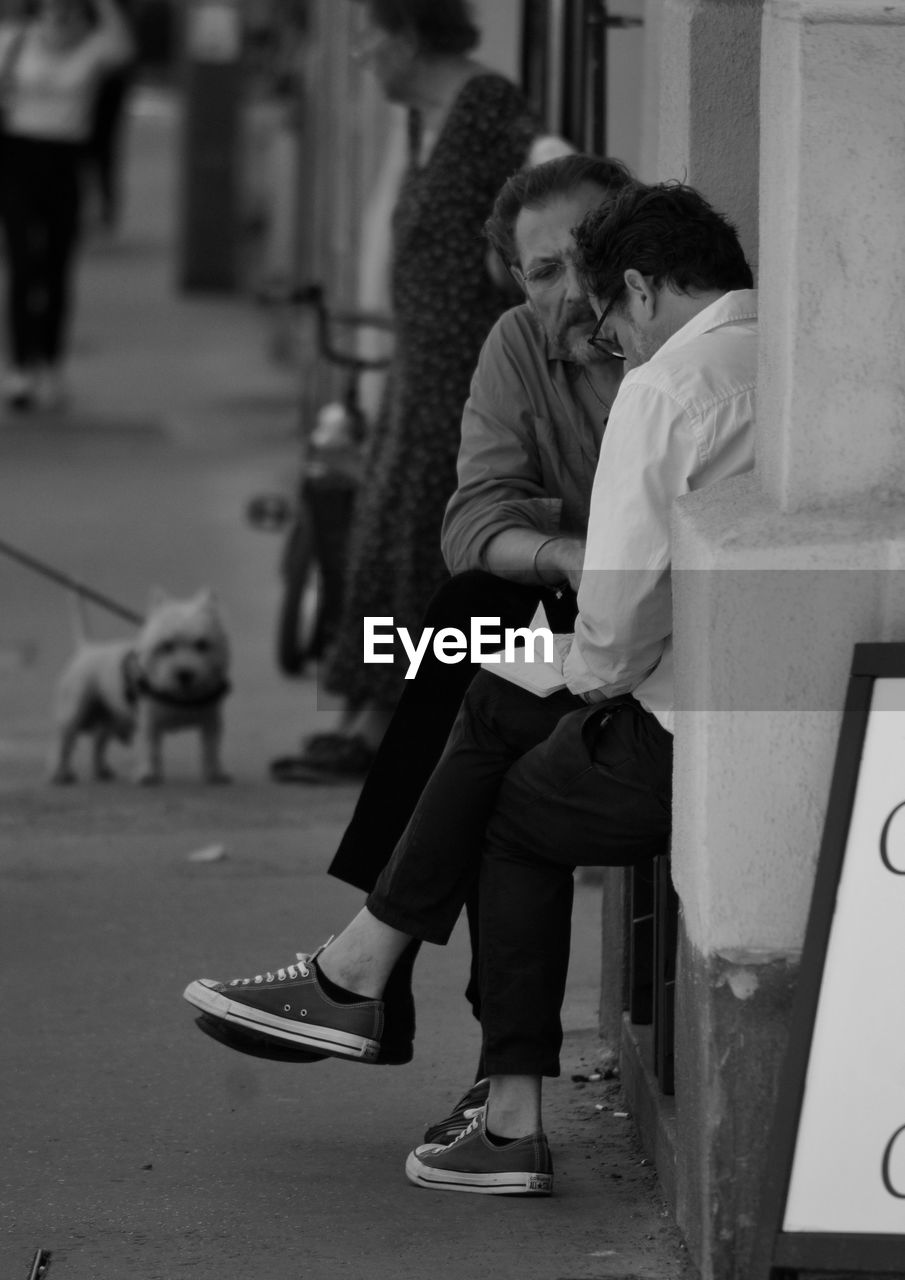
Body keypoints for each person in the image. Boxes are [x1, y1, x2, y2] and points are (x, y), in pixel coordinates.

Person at [185, 180, 758, 1196]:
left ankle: (469, 1079)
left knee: (507, 792)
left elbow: (615, 632)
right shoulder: (791, 350)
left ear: (636, 287)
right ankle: (367, 980)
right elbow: (483, 525)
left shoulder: (666, 387)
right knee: (482, 670)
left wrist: (576, 668)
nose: (604, 339)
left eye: (603, 316)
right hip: (770, 699)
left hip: (704, 729)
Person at [260, 154, 631, 1122]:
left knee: (474, 653)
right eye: (536, 271)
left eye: (579, 259)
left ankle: (370, 963)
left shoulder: (675, 354)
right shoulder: (517, 342)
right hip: (584, 620)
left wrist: (565, 558)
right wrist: (567, 554)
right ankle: (442, 1033)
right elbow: (471, 521)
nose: (562, 291)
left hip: (667, 641)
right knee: (474, 616)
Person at [291, 0, 540, 777]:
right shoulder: (422, 122)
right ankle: (373, 711)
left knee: (425, 546)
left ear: (405, 37)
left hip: (462, 371)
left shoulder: (485, 110)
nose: (361, 57)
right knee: (387, 537)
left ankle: (404, 726)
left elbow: (523, 239)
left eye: (368, 40)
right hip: (418, 368)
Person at [0, 0, 133, 411]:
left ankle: (51, 364)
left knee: (57, 267)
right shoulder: (14, 43)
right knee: (23, 266)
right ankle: (21, 368)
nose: (59, 21)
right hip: (19, 159)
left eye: (68, 12)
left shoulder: (93, 50)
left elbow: (123, 49)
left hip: (65, 162)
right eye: (51, 12)